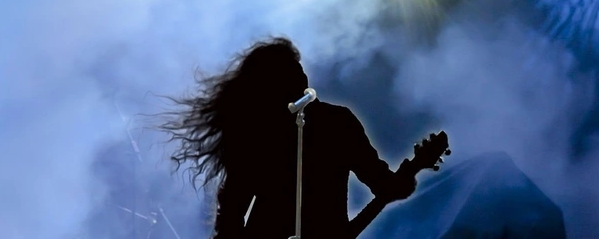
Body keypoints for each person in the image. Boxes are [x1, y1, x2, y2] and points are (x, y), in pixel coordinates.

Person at [160, 37, 416, 238]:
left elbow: (230, 216)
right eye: (294, 70)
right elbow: (232, 211)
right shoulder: (267, 131)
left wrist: (407, 175)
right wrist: (404, 180)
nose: (302, 75)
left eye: (300, 69)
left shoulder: (332, 123)